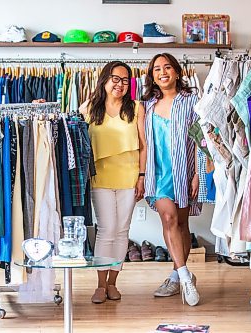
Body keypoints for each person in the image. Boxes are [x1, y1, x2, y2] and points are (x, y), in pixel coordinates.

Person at [79, 61, 146, 304]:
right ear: (105, 80)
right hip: (100, 177)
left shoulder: (136, 108)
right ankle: (99, 285)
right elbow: (76, 137)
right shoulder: (88, 108)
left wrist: (142, 175)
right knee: (106, 230)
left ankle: (113, 283)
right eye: (115, 79)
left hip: (129, 176)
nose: (120, 84)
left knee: (122, 231)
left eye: (125, 80)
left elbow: (143, 144)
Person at [142, 53, 200, 306]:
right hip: (158, 174)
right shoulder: (145, 106)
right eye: (157, 69)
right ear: (152, 76)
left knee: (183, 224)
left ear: (177, 72)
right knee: (169, 218)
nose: (162, 72)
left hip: (184, 172)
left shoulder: (193, 101)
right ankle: (186, 277)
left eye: (167, 67)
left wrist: (199, 173)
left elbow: (201, 140)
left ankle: (176, 275)